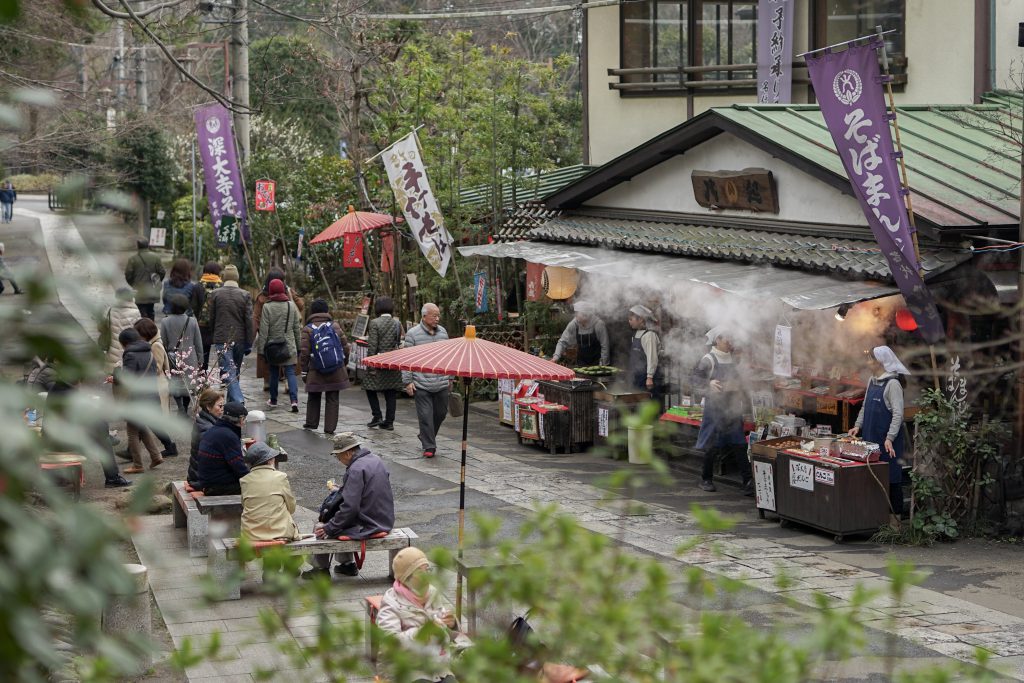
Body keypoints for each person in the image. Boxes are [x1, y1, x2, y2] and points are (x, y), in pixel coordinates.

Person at [302, 432, 395, 580]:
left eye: (338, 455)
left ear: (348, 452)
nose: (338, 459)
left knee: (321, 525)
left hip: (369, 524)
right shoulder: (375, 460)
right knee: (339, 519)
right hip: (383, 519)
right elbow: (367, 491)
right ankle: (347, 565)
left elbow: (350, 508)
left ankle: (320, 569)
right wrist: (341, 490)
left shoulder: (356, 469)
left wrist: (328, 527)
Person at [377, 547, 472, 683]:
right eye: (420, 573)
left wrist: (452, 624)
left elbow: (446, 632)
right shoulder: (391, 603)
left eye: (428, 570)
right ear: (406, 577)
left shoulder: (432, 593)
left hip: (438, 666)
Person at [850, 345, 910, 515]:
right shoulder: (872, 380)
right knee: (873, 478)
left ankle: (894, 524)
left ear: (881, 362)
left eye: (871, 359)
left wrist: (890, 437)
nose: (868, 362)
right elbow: (865, 406)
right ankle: (875, 518)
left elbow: (898, 415)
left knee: (891, 480)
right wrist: (857, 425)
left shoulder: (893, 384)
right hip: (870, 439)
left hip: (887, 443)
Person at [693, 328, 753, 496]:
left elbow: (740, 381)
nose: (730, 341)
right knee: (711, 444)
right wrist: (709, 384)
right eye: (727, 338)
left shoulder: (733, 359)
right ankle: (706, 479)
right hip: (715, 408)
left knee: (740, 443)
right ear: (717, 340)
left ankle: (747, 481)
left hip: (732, 406)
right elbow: (696, 380)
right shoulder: (708, 359)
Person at [45, 378, 132, 488]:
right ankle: (112, 478)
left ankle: (108, 440)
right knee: (103, 438)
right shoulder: (67, 393)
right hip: (60, 442)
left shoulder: (59, 388)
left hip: (54, 438)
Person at [114, 328, 164, 474]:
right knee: (141, 428)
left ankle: (137, 464)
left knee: (132, 432)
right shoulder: (149, 352)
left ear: (125, 343)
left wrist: (116, 374)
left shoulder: (130, 355)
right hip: (151, 397)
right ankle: (156, 456)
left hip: (136, 399)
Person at [404, 303, 450, 459]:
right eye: (434, 316)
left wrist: (451, 377)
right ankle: (429, 446)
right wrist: (407, 381)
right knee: (425, 416)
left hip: (442, 381)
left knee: (441, 413)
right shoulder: (412, 334)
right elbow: (407, 360)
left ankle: (425, 436)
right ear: (424, 316)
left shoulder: (443, 332)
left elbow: (449, 357)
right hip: (421, 381)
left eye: (438, 315)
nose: (437, 319)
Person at [299, 298, 350, 435]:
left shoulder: (308, 329)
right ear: (326, 311)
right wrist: (342, 364)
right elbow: (346, 347)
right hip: (335, 369)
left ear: (312, 312)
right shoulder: (335, 326)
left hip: (316, 370)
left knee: (314, 396)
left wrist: (304, 371)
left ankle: (311, 423)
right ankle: (329, 428)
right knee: (332, 398)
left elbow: (304, 353)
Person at [207, 264, 253, 405]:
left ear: (224, 277)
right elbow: (249, 321)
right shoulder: (245, 295)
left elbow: (211, 318)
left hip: (222, 337)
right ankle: (235, 403)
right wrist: (249, 342)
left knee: (228, 371)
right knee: (234, 372)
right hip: (240, 338)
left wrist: (212, 335)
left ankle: (236, 402)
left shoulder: (215, 294)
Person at [254, 269, 305, 392]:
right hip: (287, 332)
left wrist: (257, 332)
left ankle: (267, 382)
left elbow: (256, 317)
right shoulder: (287, 294)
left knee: (268, 357)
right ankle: (288, 382)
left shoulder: (262, 297)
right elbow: (301, 305)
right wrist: (292, 295)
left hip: (268, 333)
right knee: (287, 357)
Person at [134, 317, 178, 458]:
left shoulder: (155, 346)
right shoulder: (152, 343)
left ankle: (169, 446)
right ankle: (132, 449)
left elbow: (157, 368)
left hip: (157, 386)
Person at [240, 442, 301, 542]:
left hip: (250, 534)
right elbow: (291, 508)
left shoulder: (244, 480)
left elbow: (244, 504)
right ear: (269, 460)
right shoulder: (280, 477)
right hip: (279, 533)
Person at [364, 296, 404, 430]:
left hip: (378, 363)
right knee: (390, 392)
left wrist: (370, 364)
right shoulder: (397, 323)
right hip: (393, 362)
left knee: (369, 389)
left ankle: (377, 415)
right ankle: (389, 421)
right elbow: (398, 342)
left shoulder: (374, 323)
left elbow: (372, 346)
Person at [159, 293, 203, 414]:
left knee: (175, 383)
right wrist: (200, 360)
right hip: (191, 358)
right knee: (189, 384)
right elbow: (198, 343)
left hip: (173, 358)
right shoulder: (192, 321)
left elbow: (163, 342)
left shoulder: (165, 322)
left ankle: (180, 407)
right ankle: (185, 405)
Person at [194, 401, 249, 495]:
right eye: (244, 419)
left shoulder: (216, 429)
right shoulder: (228, 436)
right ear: (240, 419)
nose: (244, 423)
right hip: (217, 487)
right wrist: (254, 478)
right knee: (259, 488)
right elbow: (239, 467)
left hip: (207, 481)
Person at [627, 304, 665, 407]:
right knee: (639, 404)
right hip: (638, 376)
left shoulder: (649, 335)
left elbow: (652, 358)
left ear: (641, 320)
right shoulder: (636, 334)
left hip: (648, 377)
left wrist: (650, 377)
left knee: (651, 404)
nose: (629, 321)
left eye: (631, 319)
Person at [550, 301, 609, 367]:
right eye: (576, 314)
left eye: (578, 315)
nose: (577, 318)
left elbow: (605, 346)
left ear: (586, 315)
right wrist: (555, 358)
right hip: (581, 363)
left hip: (597, 363)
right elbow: (562, 342)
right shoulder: (575, 323)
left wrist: (603, 365)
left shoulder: (598, 324)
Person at [99, 286, 142, 372]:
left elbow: (101, 328)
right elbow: (139, 332)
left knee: (114, 378)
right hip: (129, 350)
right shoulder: (135, 312)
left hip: (112, 351)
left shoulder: (110, 310)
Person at [189, 388, 224, 485]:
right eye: (219, 406)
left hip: (198, 474)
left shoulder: (204, 420)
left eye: (223, 406)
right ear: (208, 406)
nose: (222, 409)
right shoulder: (207, 428)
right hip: (202, 478)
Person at [123, 237, 165, 320]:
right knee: (151, 310)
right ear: (147, 245)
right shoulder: (156, 257)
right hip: (152, 288)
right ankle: (151, 328)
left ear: (138, 246)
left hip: (139, 289)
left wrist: (133, 284)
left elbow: (128, 274)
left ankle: (143, 327)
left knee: (141, 310)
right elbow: (162, 271)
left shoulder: (133, 259)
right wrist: (156, 281)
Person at [196, 262, 223, 369]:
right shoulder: (222, 286)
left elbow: (194, 305)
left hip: (201, 324)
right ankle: (223, 376)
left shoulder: (197, 286)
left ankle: (203, 373)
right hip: (218, 324)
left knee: (203, 350)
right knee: (222, 350)